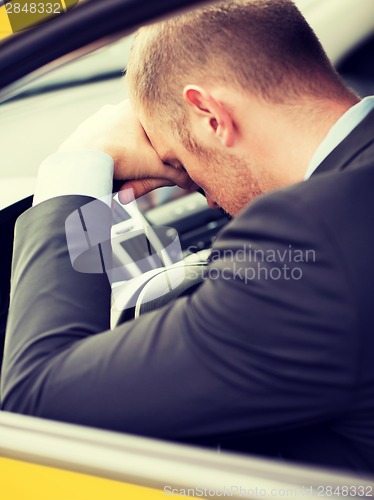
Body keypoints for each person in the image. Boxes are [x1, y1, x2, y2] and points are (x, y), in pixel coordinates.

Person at [1, 0, 374, 473]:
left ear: (210, 114)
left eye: (183, 166)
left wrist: (80, 165)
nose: (211, 202)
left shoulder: (312, 242)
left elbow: (38, 403)